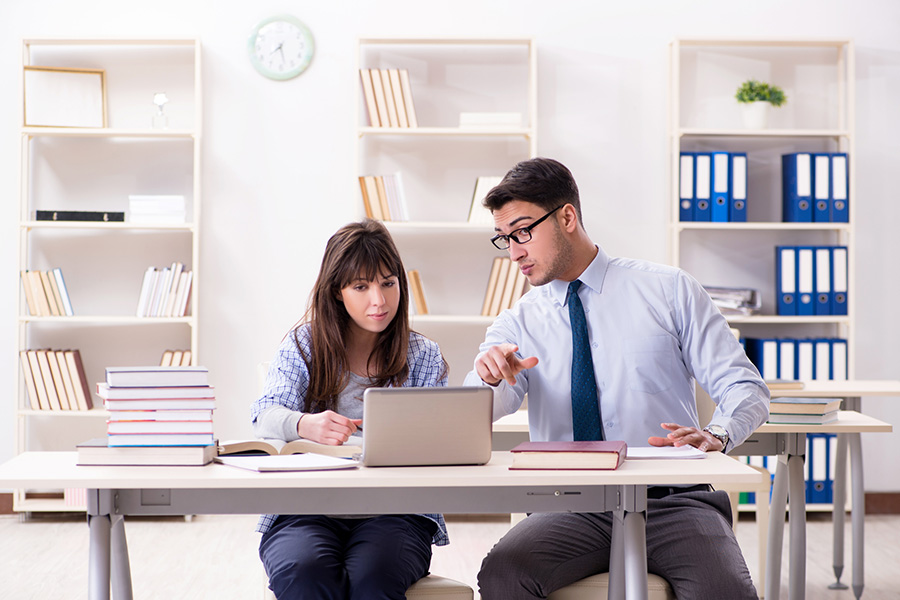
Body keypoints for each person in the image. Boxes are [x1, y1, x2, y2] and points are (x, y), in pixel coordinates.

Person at [464, 157, 769, 599]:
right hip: (569, 504)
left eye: (524, 232)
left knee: (725, 590)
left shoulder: (668, 291)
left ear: (567, 216)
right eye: (505, 239)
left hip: (671, 500)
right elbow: (476, 414)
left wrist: (718, 433)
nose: (514, 252)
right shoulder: (518, 323)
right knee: (503, 573)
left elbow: (745, 386)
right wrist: (489, 378)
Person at [251, 219, 449, 600]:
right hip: (304, 509)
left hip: (395, 512)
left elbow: (437, 442)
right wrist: (305, 424)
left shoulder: (422, 354)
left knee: (373, 578)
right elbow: (265, 414)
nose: (379, 300)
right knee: (305, 572)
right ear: (338, 292)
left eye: (388, 283)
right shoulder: (304, 344)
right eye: (361, 286)